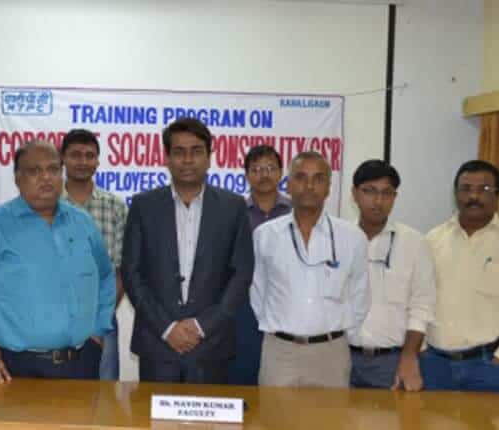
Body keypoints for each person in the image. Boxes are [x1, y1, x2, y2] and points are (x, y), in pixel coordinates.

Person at [0, 141, 115, 383]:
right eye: (35, 171)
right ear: (17, 178)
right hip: (13, 366)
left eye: (53, 169)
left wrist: (99, 329)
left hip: (81, 363)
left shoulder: (82, 222)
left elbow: (106, 277)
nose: (46, 177)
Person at [122, 117, 254, 384]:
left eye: (196, 151)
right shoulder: (143, 206)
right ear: (167, 158)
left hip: (211, 344)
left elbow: (242, 272)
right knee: (152, 412)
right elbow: (132, 272)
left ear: (209, 157)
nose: (187, 160)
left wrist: (202, 326)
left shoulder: (233, 207)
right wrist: (167, 327)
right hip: (158, 344)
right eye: (179, 152)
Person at [421, 160, 499, 392]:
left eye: (484, 189)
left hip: (488, 367)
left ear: (498, 195)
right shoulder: (432, 240)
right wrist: (422, 349)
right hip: (434, 365)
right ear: (455, 193)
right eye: (466, 188)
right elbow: (418, 299)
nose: (473, 196)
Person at [251, 151, 370, 388]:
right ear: (288, 184)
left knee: (330, 413)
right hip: (279, 353)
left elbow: (360, 296)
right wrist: (280, 328)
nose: (309, 186)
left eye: (318, 179)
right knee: (274, 413)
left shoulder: (352, 237)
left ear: (328, 187)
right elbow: (257, 292)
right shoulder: (266, 235)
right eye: (301, 177)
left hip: (331, 354)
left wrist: (334, 333)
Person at [346, 160, 436, 391]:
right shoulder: (340, 239)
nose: (378, 201)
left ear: (395, 197)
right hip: (342, 359)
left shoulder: (415, 243)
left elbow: (422, 307)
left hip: (393, 362)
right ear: (354, 194)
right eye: (369, 191)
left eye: (386, 193)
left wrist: (409, 357)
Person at [60, 129, 128, 381]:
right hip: (52, 319)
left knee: (105, 394)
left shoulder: (115, 206)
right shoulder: (46, 205)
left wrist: (100, 318)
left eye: (89, 155)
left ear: (98, 161)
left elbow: (120, 271)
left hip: (101, 321)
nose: (83, 161)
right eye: (75, 155)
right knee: (52, 395)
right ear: (63, 158)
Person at [228, 144, 292, 386]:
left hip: (286, 303)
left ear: (281, 172)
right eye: (256, 169)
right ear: (246, 175)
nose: (264, 175)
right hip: (244, 304)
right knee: (244, 372)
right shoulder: (234, 213)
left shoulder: (296, 212)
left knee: (281, 380)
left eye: (270, 168)